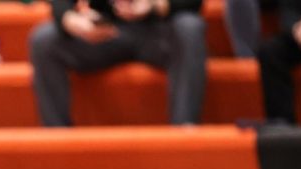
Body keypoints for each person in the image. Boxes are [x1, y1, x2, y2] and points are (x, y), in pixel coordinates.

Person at [28, 0, 208, 126]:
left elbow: (194, 3)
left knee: (190, 26)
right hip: (106, 33)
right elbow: (61, 5)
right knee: (45, 39)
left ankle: (185, 126)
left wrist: (153, 6)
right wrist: (75, 22)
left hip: (160, 32)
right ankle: (57, 133)